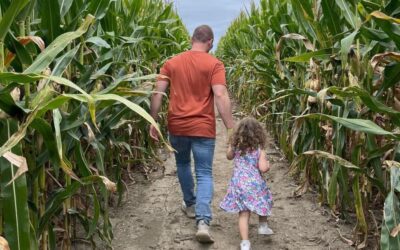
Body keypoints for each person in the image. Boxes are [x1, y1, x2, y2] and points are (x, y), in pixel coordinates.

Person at [149, 24, 234, 243]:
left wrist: (153, 120)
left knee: (183, 165)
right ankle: (203, 221)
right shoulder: (214, 64)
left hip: (177, 125)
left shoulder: (171, 63)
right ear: (211, 42)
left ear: (191, 38)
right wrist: (230, 127)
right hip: (203, 127)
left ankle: (189, 204)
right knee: (204, 172)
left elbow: (158, 92)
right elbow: (221, 94)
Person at [220, 117, 273, 250]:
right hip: (255, 183)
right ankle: (263, 226)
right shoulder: (260, 150)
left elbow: (228, 156)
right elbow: (262, 168)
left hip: (239, 184)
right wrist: (267, 165)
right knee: (263, 201)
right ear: (258, 133)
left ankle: (245, 242)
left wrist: (231, 145)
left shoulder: (237, 148)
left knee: (243, 213)